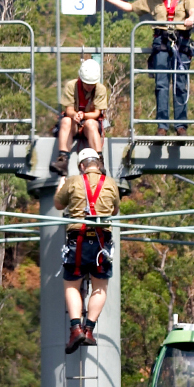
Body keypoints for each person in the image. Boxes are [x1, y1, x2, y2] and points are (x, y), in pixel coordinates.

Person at [99, 0, 194, 135]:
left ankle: (181, 126)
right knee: (161, 84)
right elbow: (131, 7)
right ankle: (162, 126)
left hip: (180, 43)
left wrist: (191, 17)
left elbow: (193, 11)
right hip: (161, 43)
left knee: (180, 85)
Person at [55, 148, 120, 353]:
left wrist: (60, 187)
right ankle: (89, 329)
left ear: (82, 166)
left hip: (78, 239)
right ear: (98, 165)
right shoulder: (111, 184)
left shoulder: (73, 182)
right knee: (100, 286)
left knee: (72, 284)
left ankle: (76, 329)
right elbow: (115, 210)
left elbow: (58, 204)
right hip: (102, 241)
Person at [51, 58, 110, 175]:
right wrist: (75, 115)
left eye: (92, 84)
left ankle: (99, 160)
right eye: (87, 83)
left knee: (91, 123)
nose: (89, 87)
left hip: (89, 124)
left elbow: (97, 113)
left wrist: (83, 115)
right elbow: (69, 110)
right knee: (66, 121)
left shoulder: (100, 89)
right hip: (74, 123)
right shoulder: (71, 86)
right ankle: (63, 159)